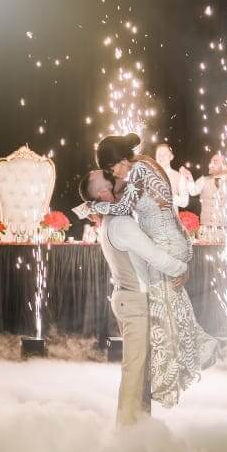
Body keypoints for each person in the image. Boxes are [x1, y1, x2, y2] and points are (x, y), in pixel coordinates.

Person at [87, 134, 218, 408]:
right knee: (170, 310)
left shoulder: (137, 171)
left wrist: (94, 205)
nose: (115, 175)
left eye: (113, 169)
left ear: (121, 159)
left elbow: (124, 206)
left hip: (165, 244)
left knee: (164, 317)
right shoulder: (143, 165)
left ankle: (182, 363)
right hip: (170, 239)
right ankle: (194, 349)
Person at [82, 170, 189, 425]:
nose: (116, 176)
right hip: (134, 302)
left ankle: (140, 428)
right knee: (135, 370)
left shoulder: (113, 219)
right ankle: (127, 434)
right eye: (109, 177)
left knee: (140, 370)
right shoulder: (120, 223)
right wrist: (181, 268)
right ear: (103, 192)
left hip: (127, 299)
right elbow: (154, 255)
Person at [154, 144, 189, 211]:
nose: (161, 157)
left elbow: (185, 202)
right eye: (159, 154)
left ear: (171, 157)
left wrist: (170, 195)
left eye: (164, 154)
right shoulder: (149, 174)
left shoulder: (179, 177)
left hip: (170, 216)